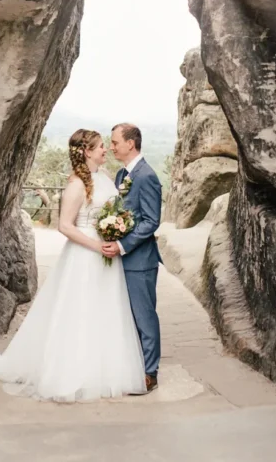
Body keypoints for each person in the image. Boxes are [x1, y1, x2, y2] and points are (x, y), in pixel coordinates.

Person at [0, 129, 146, 401]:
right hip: (85, 255)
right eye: (100, 147)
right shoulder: (77, 184)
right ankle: (72, 373)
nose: (105, 151)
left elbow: (114, 211)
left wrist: (116, 232)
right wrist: (97, 245)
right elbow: (65, 225)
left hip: (108, 253)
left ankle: (104, 370)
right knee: (80, 311)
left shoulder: (105, 179)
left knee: (106, 310)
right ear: (87, 152)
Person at [102, 123, 163, 392]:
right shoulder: (121, 175)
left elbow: (151, 221)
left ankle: (150, 372)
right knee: (125, 316)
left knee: (144, 316)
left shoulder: (146, 175)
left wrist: (123, 245)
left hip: (140, 262)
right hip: (120, 260)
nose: (112, 146)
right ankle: (132, 364)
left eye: (115, 142)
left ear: (131, 143)